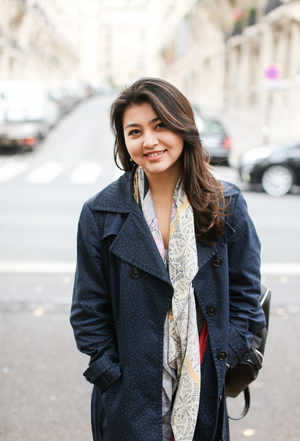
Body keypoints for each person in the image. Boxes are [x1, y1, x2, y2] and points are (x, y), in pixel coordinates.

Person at [70, 77, 266, 441]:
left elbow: (245, 296)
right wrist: (109, 373)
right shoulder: (100, 213)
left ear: (183, 127)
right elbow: (87, 309)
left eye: (160, 125)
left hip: (203, 384)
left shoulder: (226, 205)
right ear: (124, 143)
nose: (149, 141)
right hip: (129, 395)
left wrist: (221, 361)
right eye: (135, 131)